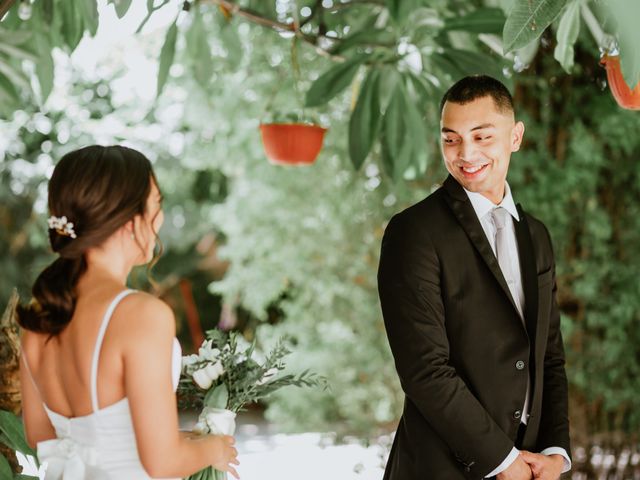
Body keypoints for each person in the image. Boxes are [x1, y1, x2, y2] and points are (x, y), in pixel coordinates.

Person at [378, 75, 571, 480]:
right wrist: (503, 460)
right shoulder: (413, 232)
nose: (466, 154)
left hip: (531, 467)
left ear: (514, 137)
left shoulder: (536, 235)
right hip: (441, 468)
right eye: (451, 139)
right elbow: (425, 371)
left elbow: (548, 355)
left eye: (482, 137)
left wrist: (555, 453)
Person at [17, 145, 239, 479]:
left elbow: (41, 435)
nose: (160, 218)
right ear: (126, 219)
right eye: (156, 204)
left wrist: (178, 441)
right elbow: (161, 463)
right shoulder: (141, 314)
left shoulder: (40, 317)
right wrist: (216, 447)